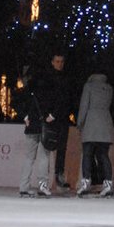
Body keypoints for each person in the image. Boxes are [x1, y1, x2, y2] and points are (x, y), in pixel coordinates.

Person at [16, 62, 58, 198]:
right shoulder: (49, 88)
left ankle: (23, 186)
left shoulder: (28, 89)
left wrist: (25, 116)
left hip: (31, 125)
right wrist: (51, 115)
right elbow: (57, 103)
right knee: (44, 156)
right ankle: (42, 185)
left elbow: (16, 102)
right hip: (44, 125)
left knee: (29, 157)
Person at [76, 68, 114, 196]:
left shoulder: (89, 86)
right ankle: (108, 183)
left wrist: (80, 123)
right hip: (106, 123)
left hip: (91, 123)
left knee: (87, 154)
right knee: (104, 155)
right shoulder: (109, 88)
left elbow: (84, 106)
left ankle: (86, 183)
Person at [47, 53, 74, 192]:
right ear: (52, 62)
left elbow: (67, 98)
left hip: (62, 118)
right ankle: (47, 178)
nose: (60, 64)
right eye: (57, 61)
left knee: (61, 148)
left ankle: (58, 175)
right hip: (51, 118)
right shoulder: (48, 78)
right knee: (48, 147)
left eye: (61, 61)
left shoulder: (66, 78)